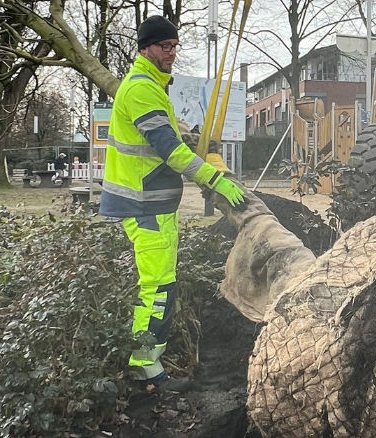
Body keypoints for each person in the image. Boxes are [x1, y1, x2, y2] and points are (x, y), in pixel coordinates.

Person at [98, 15, 246, 390]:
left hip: (152, 204)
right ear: (145, 48)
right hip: (143, 206)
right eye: (165, 46)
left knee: (161, 285)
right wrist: (214, 178)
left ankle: (145, 362)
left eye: (175, 46)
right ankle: (145, 368)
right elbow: (170, 150)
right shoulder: (141, 89)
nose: (172, 53)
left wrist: (197, 139)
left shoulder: (151, 86)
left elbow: (172, 134)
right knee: (158, 288)